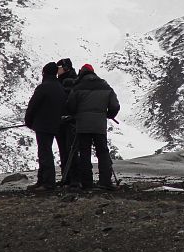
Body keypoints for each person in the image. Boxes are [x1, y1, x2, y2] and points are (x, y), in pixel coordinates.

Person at [66, 63, 120, 190]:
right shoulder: (105, 86)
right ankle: (105, 181)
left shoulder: (78, 87)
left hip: (83, 125)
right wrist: (107, 115)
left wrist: (76, 115)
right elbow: (115, 106)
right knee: (102, 152)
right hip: (99, 125)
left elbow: (70, 106)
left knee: (85, 153)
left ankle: (87, 183)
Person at [24, 61, 67, 191]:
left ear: (45, 73)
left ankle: (47, 182)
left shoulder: (43, 87)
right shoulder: (60, 87)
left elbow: (33, 106)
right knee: (47, 152)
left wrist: (29, 121)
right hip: (57, 124)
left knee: (44, 153)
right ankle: (43, 181)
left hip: (43, 124)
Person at [56, 58, 79, 186]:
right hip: (68, 121)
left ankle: (71, 178)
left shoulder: (67, 82)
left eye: (59, 67)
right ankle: (70, 178)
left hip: (67, 122)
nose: (57, 70)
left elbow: (67, 102)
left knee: (68, 151)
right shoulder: (72, 80)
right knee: (69, 150)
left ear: (65, 68)